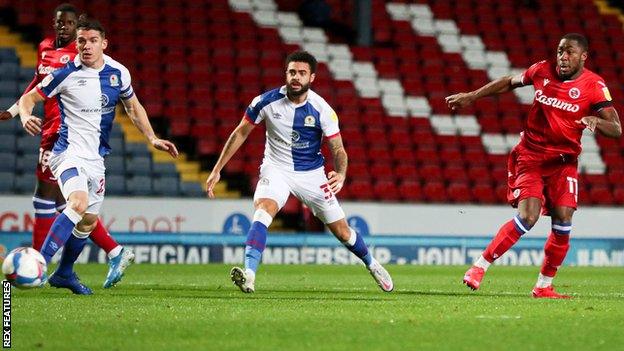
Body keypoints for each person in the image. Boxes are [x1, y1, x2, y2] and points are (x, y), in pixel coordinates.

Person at [445, 33, 621, 298]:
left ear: (583, 56)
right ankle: (479, 267)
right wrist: (472, 96)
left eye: (570, 52)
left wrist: (597, 122)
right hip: (531, 156)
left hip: (564, 163)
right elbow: (508, 82)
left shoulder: (594, 86)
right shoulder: (541, 70)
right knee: (529, 217)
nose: (563, 56)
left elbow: (616, 128)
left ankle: (543, 286)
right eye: (560, 50)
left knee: (563, 223)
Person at [205, 50, 393, 293]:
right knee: (263, 210)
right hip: (277, 168)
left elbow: (338, 148)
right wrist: (218, 168)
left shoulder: (322, 109)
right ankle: (249, 274)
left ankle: (372, 263)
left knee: (343, 232)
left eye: (302, 73)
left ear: (312, 78)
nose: (296, 77)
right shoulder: (265, 102)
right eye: (292, 72)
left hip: (312, 174)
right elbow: (240, 132)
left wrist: (341, 173)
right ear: (286, 73)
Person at [18, 15, 178, 294]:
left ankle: (64, 273)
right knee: (77, 203)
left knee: (88, 221)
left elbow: (133, 106)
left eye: (92, 41)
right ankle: (38, 264)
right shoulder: (65, 73)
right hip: (66, 153)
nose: (86, 46)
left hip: (96, 159)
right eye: (81, 41)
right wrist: (24, 114)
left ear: (104, 43)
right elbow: (29, 98)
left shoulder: (118, 73)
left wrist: (152, 138)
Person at [0, 4, 136, 290]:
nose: (65, 27)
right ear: (54, 24)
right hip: (52, 133)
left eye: (70, 23)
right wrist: (16, 111)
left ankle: (43, 263)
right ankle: (69, 262)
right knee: (61, 200)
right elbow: (38, 83)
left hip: (66, 132)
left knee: (65, 202)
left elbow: (121, 99)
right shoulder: (44, 48)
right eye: (60, 22)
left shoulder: (82, 58)